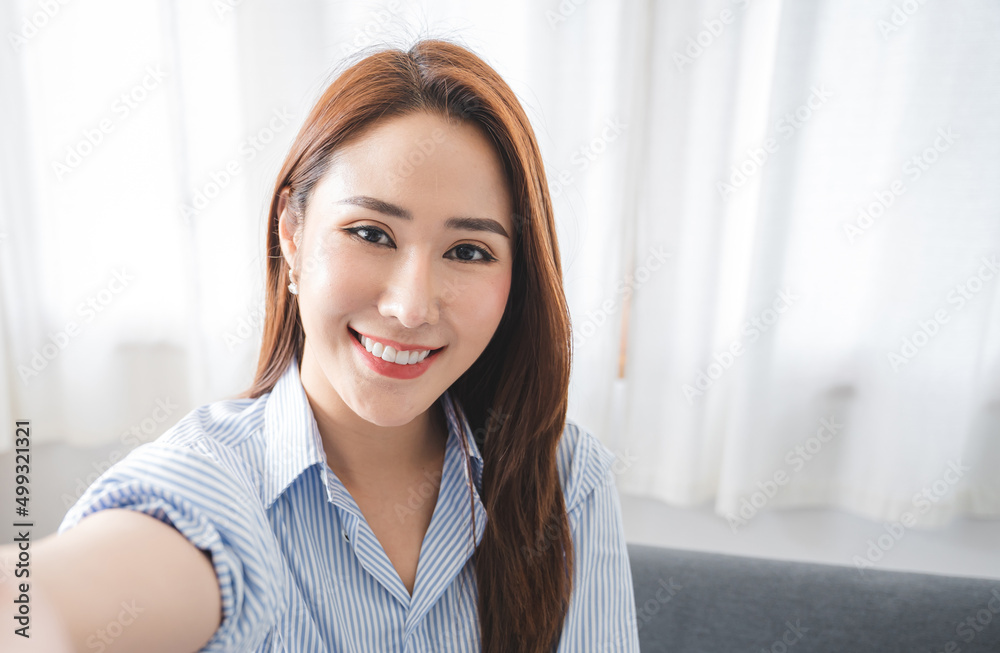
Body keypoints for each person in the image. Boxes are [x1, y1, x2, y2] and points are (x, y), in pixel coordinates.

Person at [1, 39, 640, 652]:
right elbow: (40, 606)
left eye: (468, 250)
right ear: (294, 236)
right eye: (371, 233)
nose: (410, 307)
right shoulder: (214, 491)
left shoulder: (563, 479)